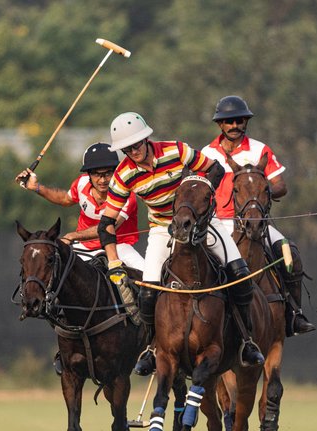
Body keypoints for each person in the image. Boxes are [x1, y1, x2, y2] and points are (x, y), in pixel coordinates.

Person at [97, 112, 265, 375]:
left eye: (137, 144)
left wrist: (203, 199)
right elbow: (105, 225)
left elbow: (215, 169)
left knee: (240, 274)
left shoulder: (176, 150)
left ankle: (247, 342)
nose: (134, 150)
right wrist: (114, 262)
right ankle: (152, 349)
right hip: (163, 229)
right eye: (127, 148)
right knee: (148, 292)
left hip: (202, 222)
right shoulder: (123, 175)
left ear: (146, 138)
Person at [200, 95, 315, 336]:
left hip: (254, 221)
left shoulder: (259, 149)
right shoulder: (207, 153)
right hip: (217, 222)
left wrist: (260, 194)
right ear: (220, 125)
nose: (234, 126)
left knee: (288, 251)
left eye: (239, 120)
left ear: (246, 122)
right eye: (228, 121)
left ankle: (294, 313)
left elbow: (280, 185)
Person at [15, 142, 143, 269]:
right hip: (83, 246)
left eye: (107, 173)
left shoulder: (126, 193)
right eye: (97, 174)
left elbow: (107, 227)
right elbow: (65, 199)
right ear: (88, 174)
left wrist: (72, 236)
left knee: (149, 277)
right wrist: (36, 187)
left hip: (119, 247)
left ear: (115, 172)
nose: (102, 180)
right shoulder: (81, 183)